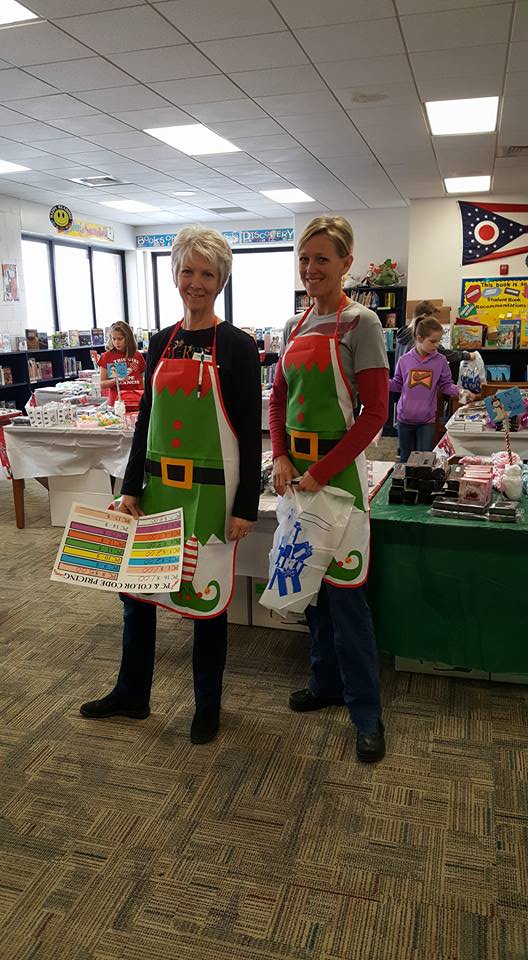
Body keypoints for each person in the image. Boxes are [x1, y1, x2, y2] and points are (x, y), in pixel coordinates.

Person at [80, 226, 262, 744]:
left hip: (210, 495)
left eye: (207, 273)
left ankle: (208, 704)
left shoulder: (238, 346)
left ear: (221, 280)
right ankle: (132, 694)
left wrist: (245, 504)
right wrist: (131, 486)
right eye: (188, 271)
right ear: (175, 275)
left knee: (206, 599)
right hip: (158, 490)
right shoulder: (160, 342)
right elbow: (147, 423)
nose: (196, 282)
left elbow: (249, 430)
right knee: (136, 595)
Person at [270, 215, 388, 763]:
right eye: (304, 259)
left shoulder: (362, 324)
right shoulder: (294, 327)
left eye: (322, 259)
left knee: (346, 597)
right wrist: (281, 454)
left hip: (339, 478)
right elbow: (277, 401)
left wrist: (321, 469)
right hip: (299, 479)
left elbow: (374, 416)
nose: (311, 268)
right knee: (310, 591)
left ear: (347, 263)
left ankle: (366, 714)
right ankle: (325, 684)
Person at [390, 315, 469, 463]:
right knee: (405, 460)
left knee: (424, 461)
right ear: (419, 338)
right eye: (432, 341)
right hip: (404, 418)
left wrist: (460, 391)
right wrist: (381, 383)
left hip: (426, 420)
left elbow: (446, 385)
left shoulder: (440, 361)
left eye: (438, 341)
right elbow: (397, 384)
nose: (436, 345)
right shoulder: (404, 360)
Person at [395, 299, 475, 367]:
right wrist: (467, 355)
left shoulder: (401, 334)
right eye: (432, 319)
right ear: (425, 316)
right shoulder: (418, 334)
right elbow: (442, 352)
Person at [92, 321, 145, 411]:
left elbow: (144, 379)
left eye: (120, 339)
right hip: (117, 403)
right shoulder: (107, 356)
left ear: (128, 338)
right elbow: (102, 384)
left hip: (137, 402)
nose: (116, 342)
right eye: (114, 339)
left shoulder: (137, 355)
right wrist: (117, 380)